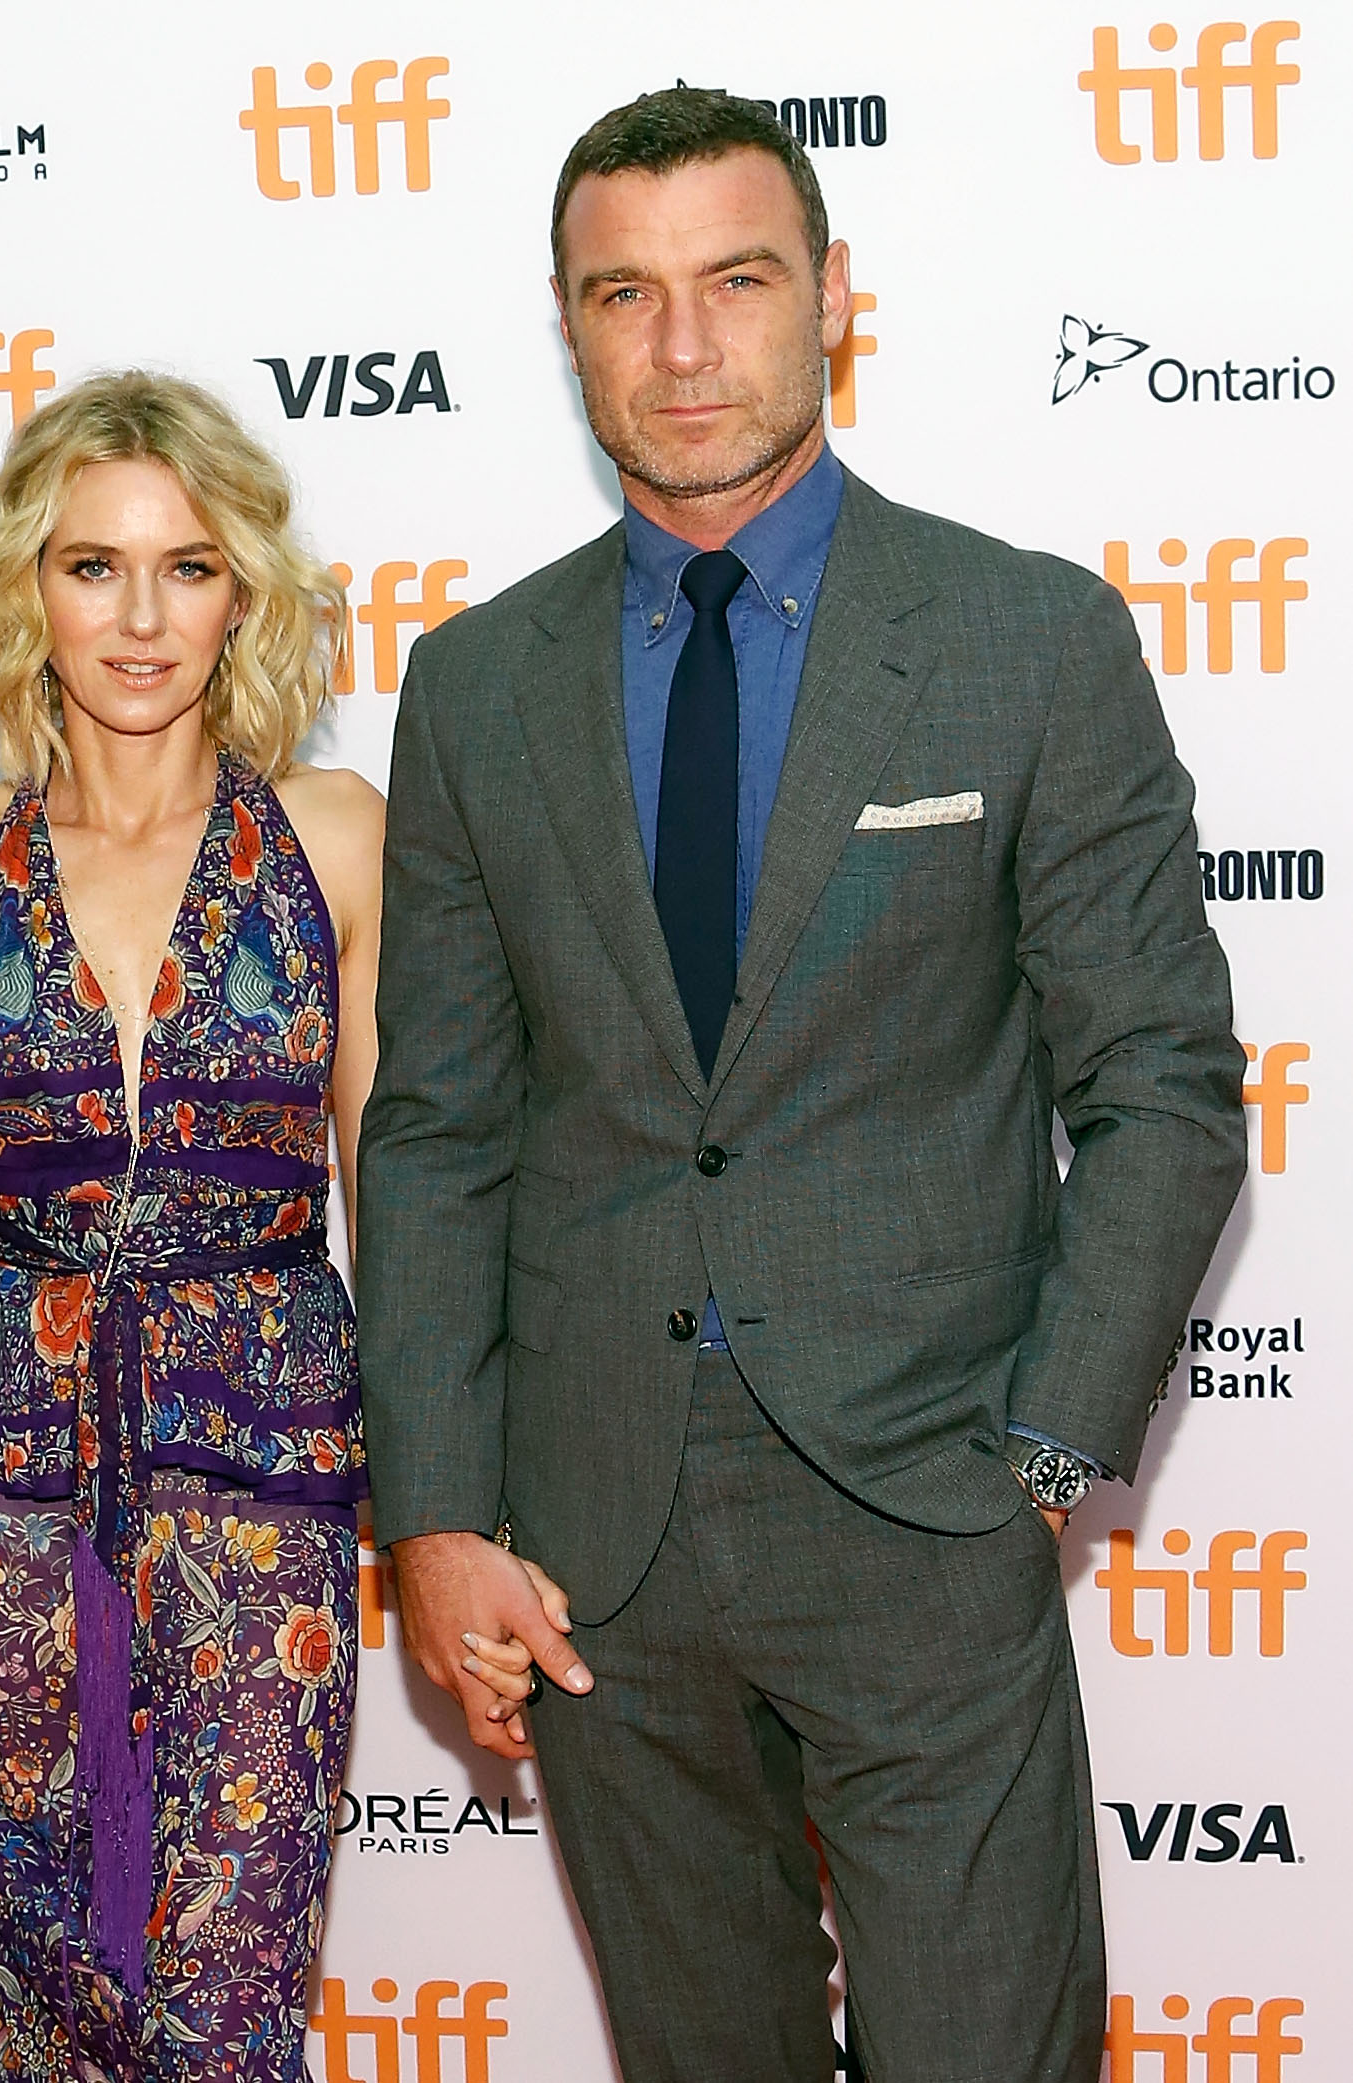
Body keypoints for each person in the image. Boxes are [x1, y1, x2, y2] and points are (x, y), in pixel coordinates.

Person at [356, 89, 1246, 2083]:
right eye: (624, 294)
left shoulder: (1024, 639)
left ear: (832, 300)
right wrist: (433, 1507)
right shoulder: (475, 682)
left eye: (733, 282)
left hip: (924, 1516)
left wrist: (1032, 1469)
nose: (679, 348)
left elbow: (1163, 1087)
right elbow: (436, 1128)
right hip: (595, 1553)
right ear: (568, 324)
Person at [0, 370, 382, 2083]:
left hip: (259, 1517)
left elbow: (406, 1212)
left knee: (222, 2010)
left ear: (244, 594)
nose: (140, 617)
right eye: (94, 567)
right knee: (6, 2006)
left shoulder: (338, 844)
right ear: (27, 590)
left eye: (187, 567)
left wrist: (452, 1518)